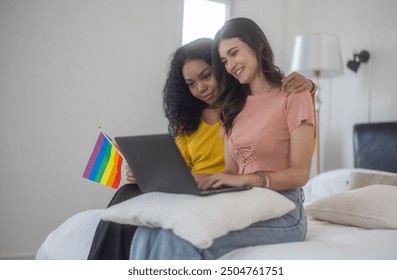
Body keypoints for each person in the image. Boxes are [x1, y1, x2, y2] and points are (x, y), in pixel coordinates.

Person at [88, 37, 314, 260]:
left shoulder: (244, 107)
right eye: (191, 84)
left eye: (206, 76)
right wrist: (147, 174)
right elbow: (179, 169)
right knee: (128, 194)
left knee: (155, 224)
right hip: (199, 186)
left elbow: (293, 150)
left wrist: (311, 88)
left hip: (229, 189)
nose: (201, 88)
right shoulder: (189, 122)